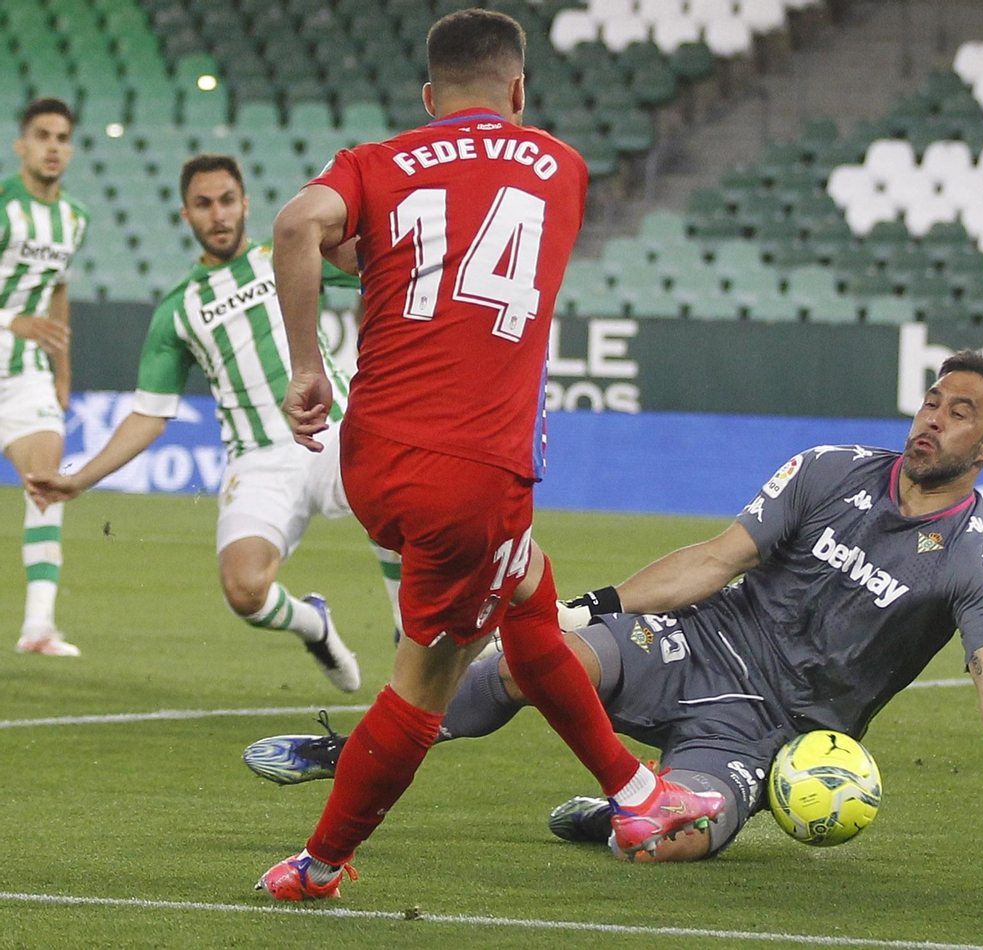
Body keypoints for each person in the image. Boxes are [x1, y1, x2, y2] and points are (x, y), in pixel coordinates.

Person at [246, 352, 983, 863]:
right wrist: (591, 607)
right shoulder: (830, 468)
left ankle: (627, 812)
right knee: (523, 664)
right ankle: (349, 751)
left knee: (667, 848)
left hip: (768, 733)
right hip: (692, 642)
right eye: (930, 402)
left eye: (958, 416)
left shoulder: (970, 561)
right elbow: (716, 561)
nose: (931, 423)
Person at [257, 8, 722, 900]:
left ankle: (634, 791)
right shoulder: (564, 167)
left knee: (530, 592)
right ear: (518, 89)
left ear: (429, 97)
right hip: (470, 468)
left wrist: (308, 366)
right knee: (426, 684)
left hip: (374, 458)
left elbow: (298, 230)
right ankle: (318, 866)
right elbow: (489, 241)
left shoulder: (376, 162)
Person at [26, 154, 402, 691]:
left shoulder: (287, 253)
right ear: (186, 215)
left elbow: (385, 267)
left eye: (227, 200)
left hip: (334, 429)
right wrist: (78, 479)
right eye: (204, 204)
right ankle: (314, 624)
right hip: (257, 458)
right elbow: (149, 415)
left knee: (395, 504)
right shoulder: (177, 309)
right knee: (245, 590)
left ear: (245, 203)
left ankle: (404, 627)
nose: (218, 214)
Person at [3, 98, 88, 657]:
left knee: (45, 481)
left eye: (62, 137)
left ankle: (38, 625)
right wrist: (12, 319)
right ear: (21, 146)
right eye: (43, 136)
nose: (53, 146)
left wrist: (63, 370)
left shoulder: (74, 219)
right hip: (11, 332)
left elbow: (58, 289)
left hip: (25, 371)